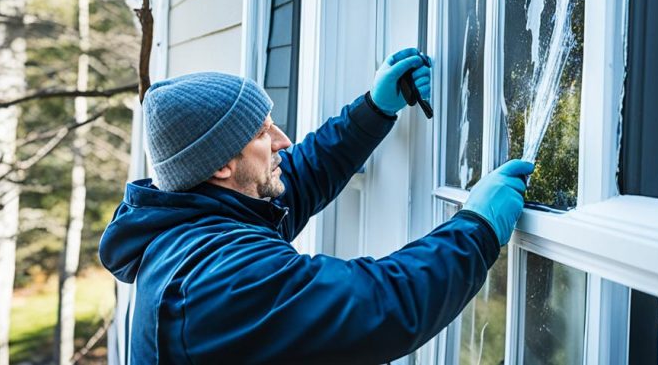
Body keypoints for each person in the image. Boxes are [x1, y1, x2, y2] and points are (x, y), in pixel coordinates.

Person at [99, 47, 534, 364]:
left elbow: (298, 177)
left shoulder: (196, 223)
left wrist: (373, 110)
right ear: (220, 168)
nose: (281, 142)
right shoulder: (223, 279)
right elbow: (378, 306)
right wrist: (476, 229)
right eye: (261, 135)